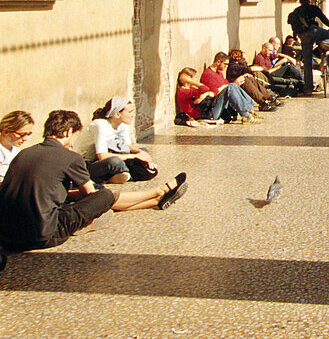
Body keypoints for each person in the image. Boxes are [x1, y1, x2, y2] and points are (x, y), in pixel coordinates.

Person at [0, 111, 189, 260]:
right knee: (103, 196)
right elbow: (91, 195)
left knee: (82, 196)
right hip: (43, 233)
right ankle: (159, 192)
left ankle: (156, 199)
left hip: (8, 232)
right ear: (67, 133)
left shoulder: (23, 154)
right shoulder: (70, 157)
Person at [81, 97, 158, 185]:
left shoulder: (122, 124)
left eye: (133, 111)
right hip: (92, 164)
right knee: (115, 162)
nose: (133, 115)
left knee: (144, 150)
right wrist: (135, 157)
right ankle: (114, 177)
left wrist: (142, 153)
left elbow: (128, 146)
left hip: (115, 154)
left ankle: (124, 174)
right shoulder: (100, 126)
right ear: (117, 115)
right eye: (130, 112)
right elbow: (102, 156)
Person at [287, 0, 329, 92]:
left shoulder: (295, 12)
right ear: (309, 2)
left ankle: (308, 89)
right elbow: (325, 20)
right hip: (314, 31)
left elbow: (292, 25)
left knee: (307, 62)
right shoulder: (313, 8)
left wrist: (296, 37)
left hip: (303, 36)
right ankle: (326, 42)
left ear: (300, 2)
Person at [176, 67, 262, 124]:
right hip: (208, 115)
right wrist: (191, 82)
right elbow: (204, 88)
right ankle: (246, 115)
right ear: (188, 79)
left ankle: (249, 111)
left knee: (232, 86)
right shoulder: (182, 92)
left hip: (210, 108)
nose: (195, 80)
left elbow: (205, 91)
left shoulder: (190, 89)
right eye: (194, 78)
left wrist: (206, 94)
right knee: (230, 87)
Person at [205, 52, 278, 111]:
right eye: (225, 64)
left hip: (227, 94)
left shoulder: (219, 73)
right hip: (216, 104)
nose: (226, 66)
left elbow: (226, 83)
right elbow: (214, 93)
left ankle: (266, 98)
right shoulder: (209, 74)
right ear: (218, 62)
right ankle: (251, 110)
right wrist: (233, 84)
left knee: (248, 78)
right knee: (244, 81)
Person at [0, 111, 34, 184]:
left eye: (28, 134)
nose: (25, 139)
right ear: (6, 131)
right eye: (21, 135)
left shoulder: (15, 149)